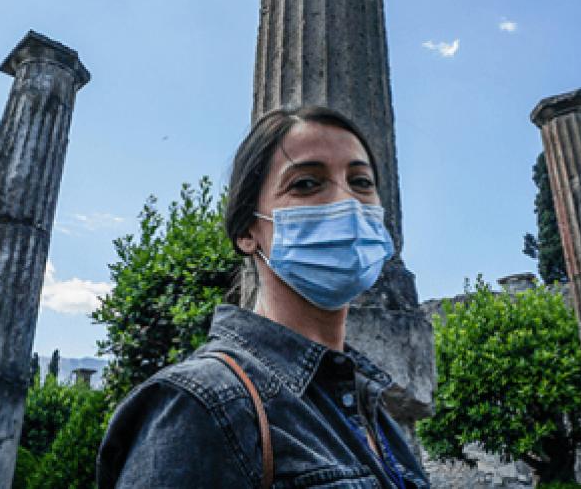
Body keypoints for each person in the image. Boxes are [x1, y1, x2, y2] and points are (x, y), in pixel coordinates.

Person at [97, 106, 430, 488]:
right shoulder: (200, 404)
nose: (348, 203)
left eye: (361, 182)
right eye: (306, 183)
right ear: (246, 232)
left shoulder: (369, 407)